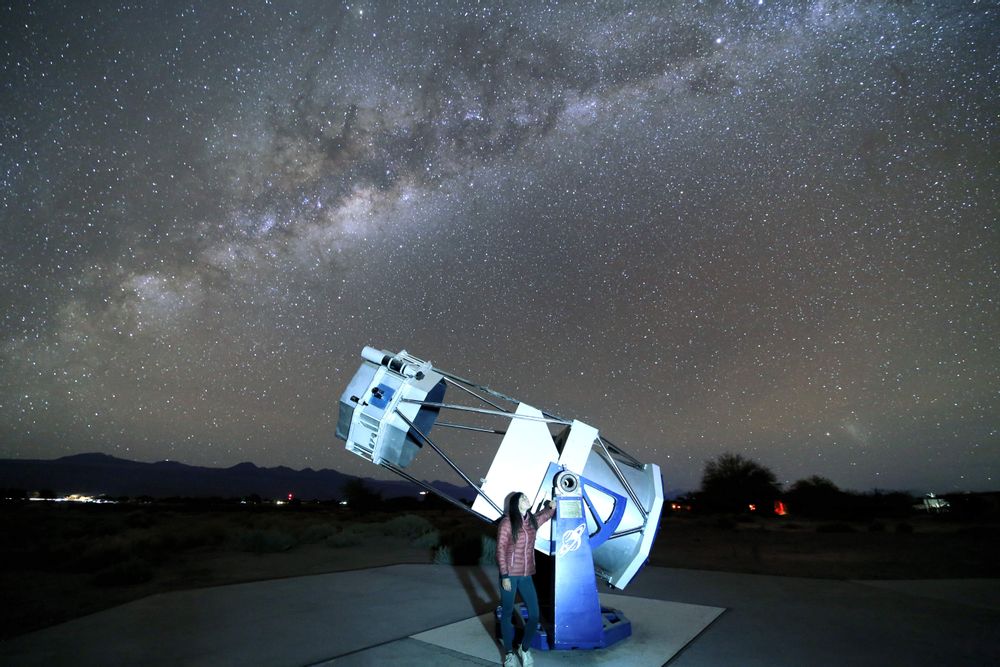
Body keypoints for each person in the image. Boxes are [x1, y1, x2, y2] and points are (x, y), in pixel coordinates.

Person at [496, 491, 554, 667]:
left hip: (527, 574)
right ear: (515, 503)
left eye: (526, 497)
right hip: (510, 576)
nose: (526, 499)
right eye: (522, 498)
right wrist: (505, 576)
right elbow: (500, 550)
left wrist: (550, 507)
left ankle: (524, 648)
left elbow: (544, 515)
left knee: (535, 615)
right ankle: (509, 654)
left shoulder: (532, 521)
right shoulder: (507, 523)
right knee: (507, 614)